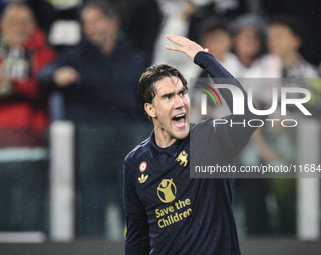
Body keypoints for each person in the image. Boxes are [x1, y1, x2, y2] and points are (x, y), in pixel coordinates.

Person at [124, 35, 258, 254]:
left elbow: (250, 114)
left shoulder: (210, 137)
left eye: (182, 93)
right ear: (150, 109)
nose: (179, 103)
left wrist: (205, 58)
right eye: (168, 97)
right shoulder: (135, 161)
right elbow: (137, 237)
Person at [39, 0, 149, 238]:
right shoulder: (74, 56)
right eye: (86, 23)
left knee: (131, 203)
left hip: (126, 146)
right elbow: (44, 75)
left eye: (96, 21)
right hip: (89, 148)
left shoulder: (134, 58)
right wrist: (56, 75)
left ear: (113, 23)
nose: (90, 28)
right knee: (91, 201)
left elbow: (141, 100)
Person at [0, 2, 56, 231]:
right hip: (2, 147)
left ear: (33, 25)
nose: (19, 28)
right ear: (2, 25)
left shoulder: (43, 52)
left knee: (30, 211)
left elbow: (41, 85)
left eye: (24, 23)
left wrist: (12, 85)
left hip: (33, 145)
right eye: (13, 22)